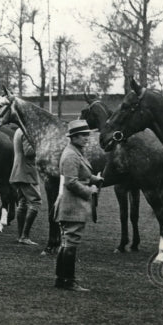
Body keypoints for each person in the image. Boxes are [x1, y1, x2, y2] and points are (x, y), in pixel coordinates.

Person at [54, 118, 105, 291]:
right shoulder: (70, 155)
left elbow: (81, 174)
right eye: (83, 135)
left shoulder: (76, 152)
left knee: (67, 241)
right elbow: (71, 182)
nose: (86, 138)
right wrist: (89, 190)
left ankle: (62, 279)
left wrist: (94, 179)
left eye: (87, 135)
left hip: (73, 204)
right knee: (71, 241)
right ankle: (67, 280)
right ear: (73, 137)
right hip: (72, 204)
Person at [10, 127, 42, 245]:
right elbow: (29, 152)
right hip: (27, 172)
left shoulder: (19, 130)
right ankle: (24, 236)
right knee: (36, 202)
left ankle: (21, 236)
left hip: (19, 170)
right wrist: (42, 144)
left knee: (23, 203)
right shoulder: (29, 131)